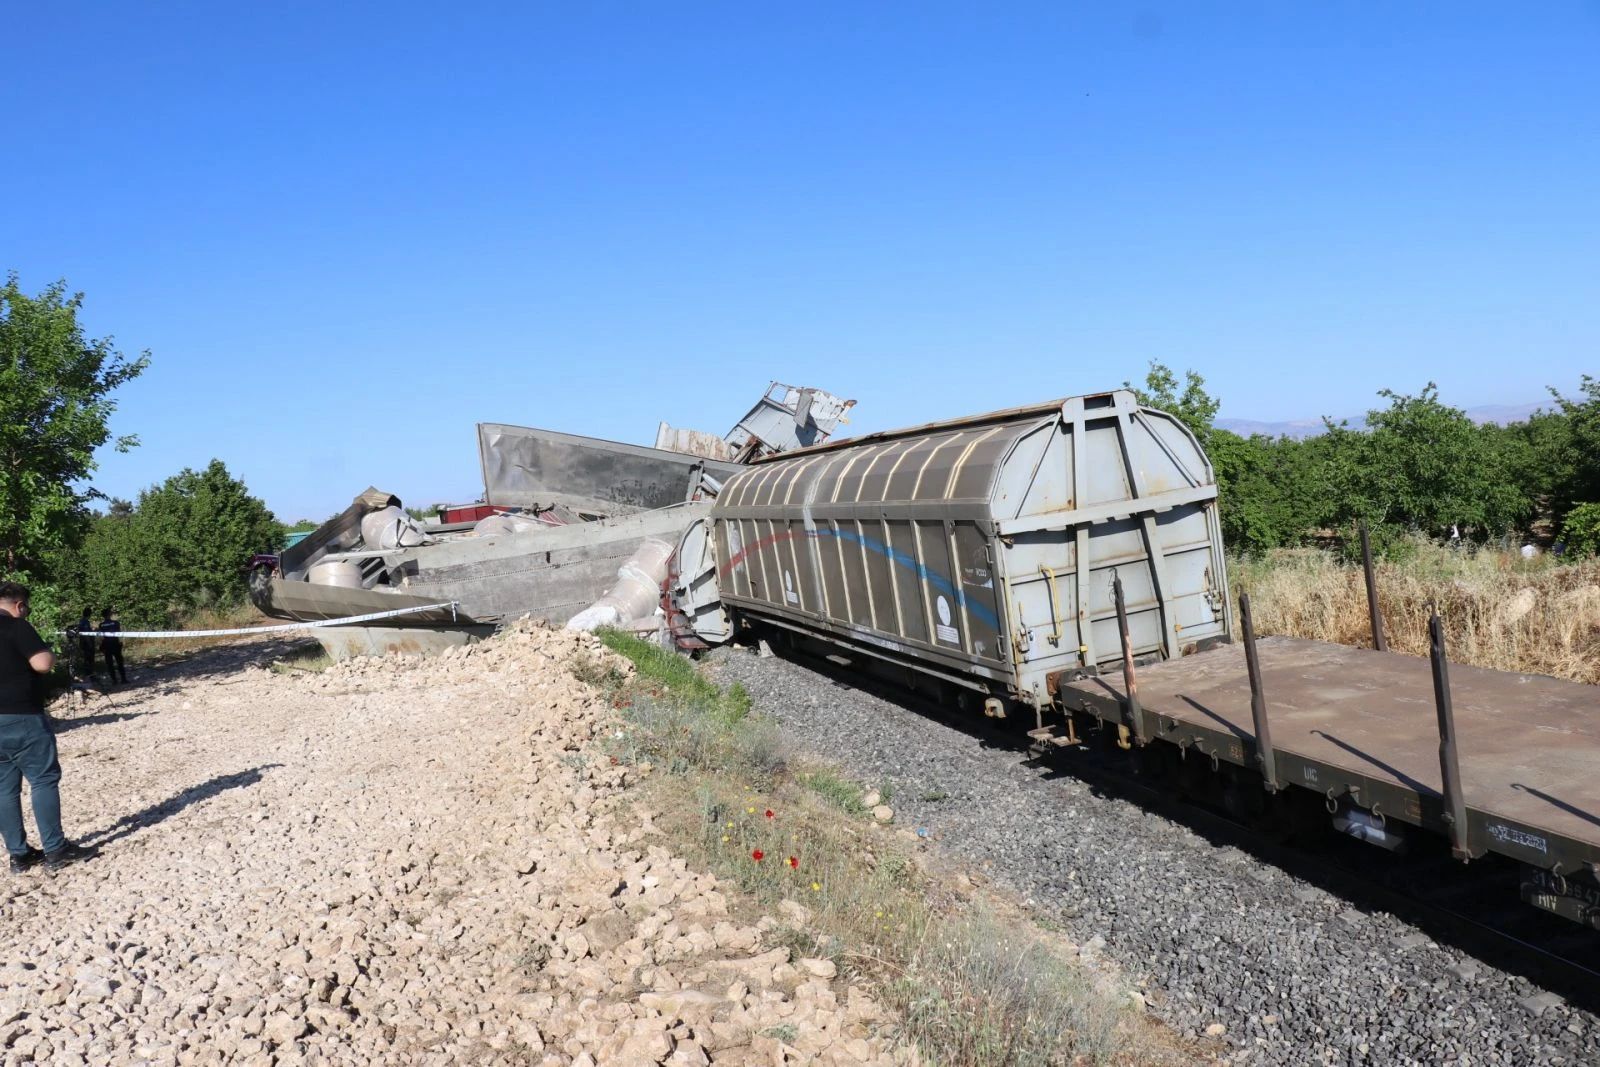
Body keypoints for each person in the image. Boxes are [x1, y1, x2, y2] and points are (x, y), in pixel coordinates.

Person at [0, 582, 87, 872]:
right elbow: (42, 664)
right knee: (43, 779)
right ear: (19, 605)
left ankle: (19, 855)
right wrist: (47, 651)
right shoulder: (16, 626)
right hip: (22, 716)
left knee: (4, 790)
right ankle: (56, 848)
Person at [98, 607, 127, 684]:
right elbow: (118, 631)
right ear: (109, 614)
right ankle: (123, 679)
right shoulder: (116, 623)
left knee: (109, 664)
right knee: (119, 662)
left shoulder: (101, 625)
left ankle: (114, 681)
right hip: (115, 644)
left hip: (107, 645)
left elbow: (102, 635)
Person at [71, 608, 97, 681]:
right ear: (89, 614)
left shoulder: (81, 621)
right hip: (87, 644)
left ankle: (88, 674)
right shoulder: (85, 622)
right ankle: (89, 675)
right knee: (89, 660)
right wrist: (90, 644)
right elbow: (86, 634)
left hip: (83, 643)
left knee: (87, 659)